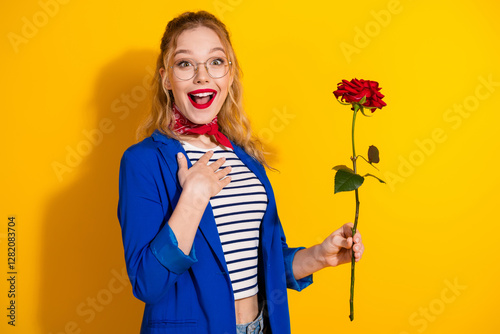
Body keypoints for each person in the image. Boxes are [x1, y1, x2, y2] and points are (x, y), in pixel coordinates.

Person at [117, 10, 364, 334]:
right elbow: (148, 282)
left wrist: (321, 255)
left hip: (261, 326)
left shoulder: (247, 158)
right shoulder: (142, 161)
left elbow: (267, 263)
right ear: (166, 78)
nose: (202, 76)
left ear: (230, 75)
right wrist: (193, 197)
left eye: (216, 62)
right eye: (185, 63)